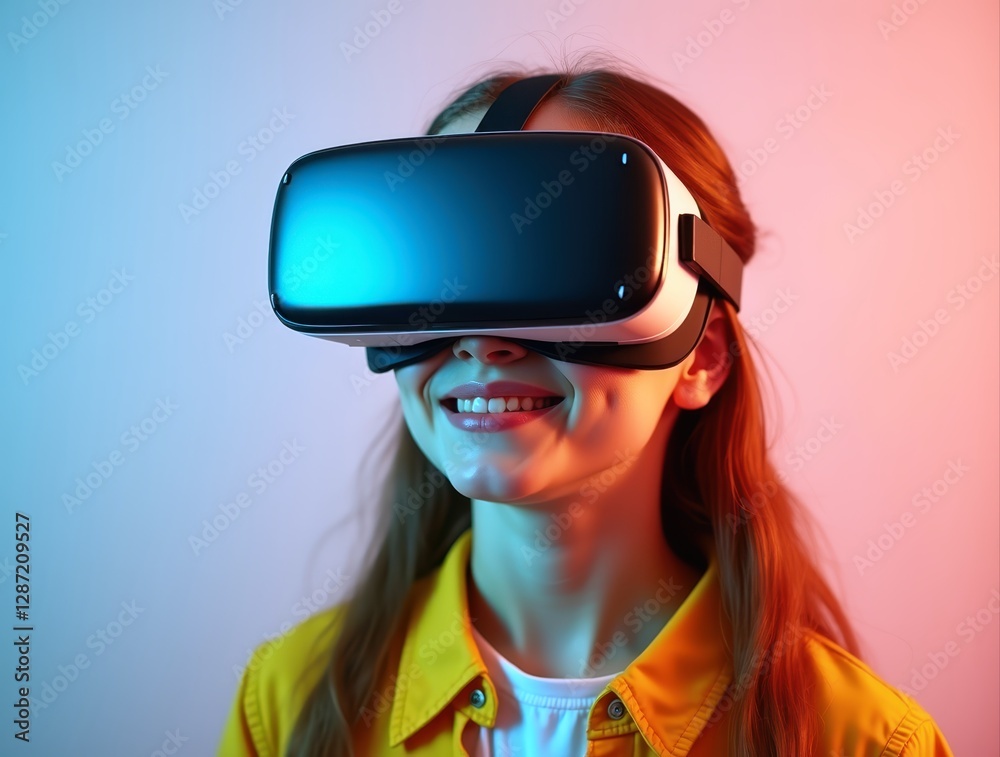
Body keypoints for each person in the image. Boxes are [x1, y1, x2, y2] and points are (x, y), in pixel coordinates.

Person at [218, 62, 955, 756]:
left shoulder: (856, 738)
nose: (481, 342)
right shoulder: (290, 702)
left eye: (555, 252)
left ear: (701, 356)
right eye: (445, 267)